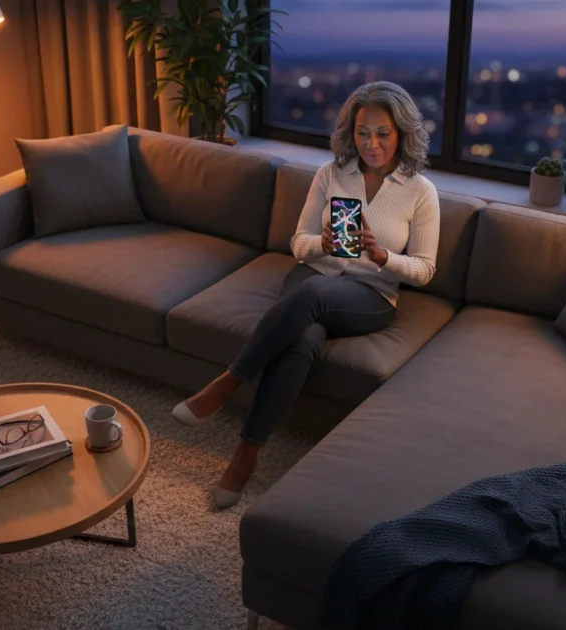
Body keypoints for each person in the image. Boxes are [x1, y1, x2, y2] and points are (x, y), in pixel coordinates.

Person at [172, 81, 441, 508]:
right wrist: (323, 244)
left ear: (403, 133)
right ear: (349, 131)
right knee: (306, 337)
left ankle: (227, 383)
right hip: (314, 273)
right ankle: (246, 454)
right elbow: (298, 242)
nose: (371, 143)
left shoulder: (420, 191)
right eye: (361, 132)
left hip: (370, 293)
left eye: (383, 133)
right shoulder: (331, 174)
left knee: (316, 292)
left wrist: (382, 254)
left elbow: (424, 270)